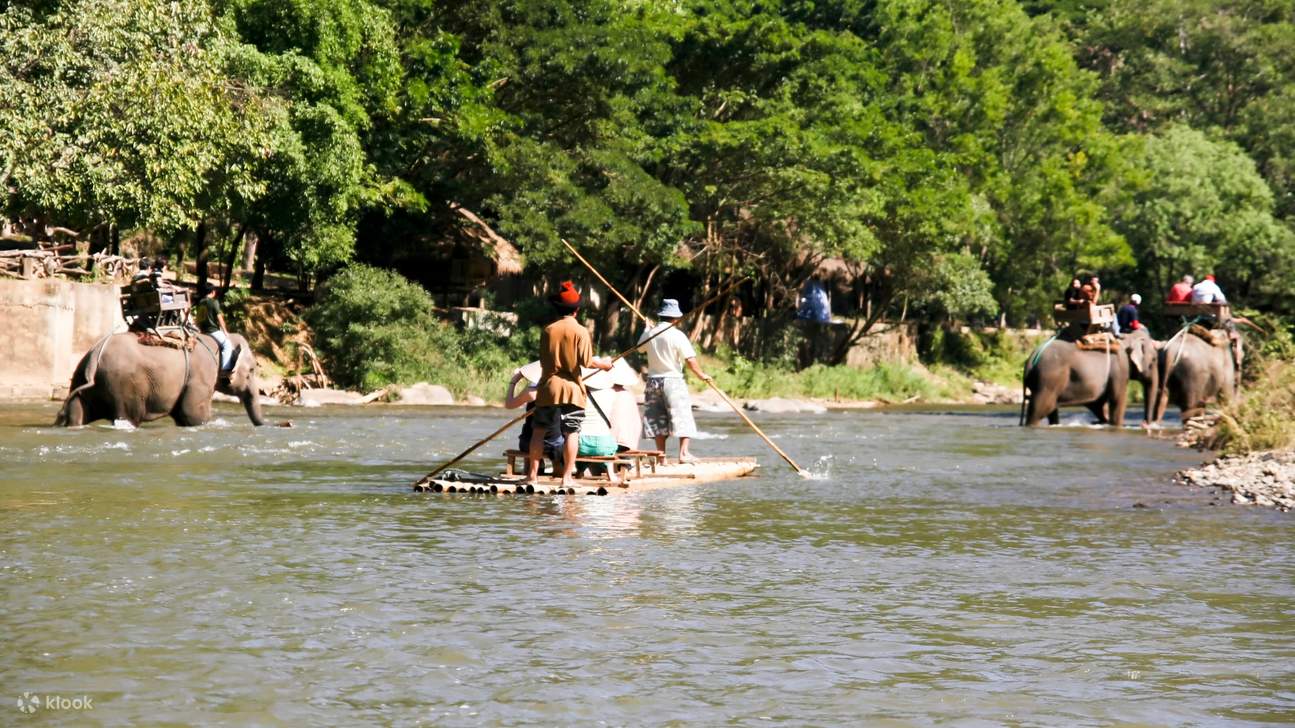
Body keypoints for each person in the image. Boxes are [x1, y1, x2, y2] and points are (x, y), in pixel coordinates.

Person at [526, 281, 613, 489]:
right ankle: (567, 478)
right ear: (577, 310)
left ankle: (532, 476)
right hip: (573, 388)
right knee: (571, 432)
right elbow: (586, 361)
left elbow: (545, 359)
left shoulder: (548, 330)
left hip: (549, 387)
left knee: (538, 431)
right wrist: (604, 364)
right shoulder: (581, 331)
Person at [637, 298, 713, 464]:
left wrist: (647, 330)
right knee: (682, 416)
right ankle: (683, 454)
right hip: (673, 381)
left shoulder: (650, 333)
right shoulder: (677, 335)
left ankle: (661, 457)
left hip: (652, 382)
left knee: (657, 418)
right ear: (676, 318)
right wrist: (701, 375)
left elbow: (639, 348)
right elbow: (690, 360)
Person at [505, 361, 564, 476]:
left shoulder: (531, 392)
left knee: (530, 439)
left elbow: (509, 404)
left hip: (529, 442)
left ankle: (532, 470)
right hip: (555, 442)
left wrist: (513, 382)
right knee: (559, 441)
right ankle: (558, 470)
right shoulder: (560, 390)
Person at [193, 283, 235, 373]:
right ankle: (225, 369)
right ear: (213, 292)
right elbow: (220, 319)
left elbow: (198, 319)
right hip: (213, 331)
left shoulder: (200, 302)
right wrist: (225, 332)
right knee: (227, 345)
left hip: (203, 331)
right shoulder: (213, 302)